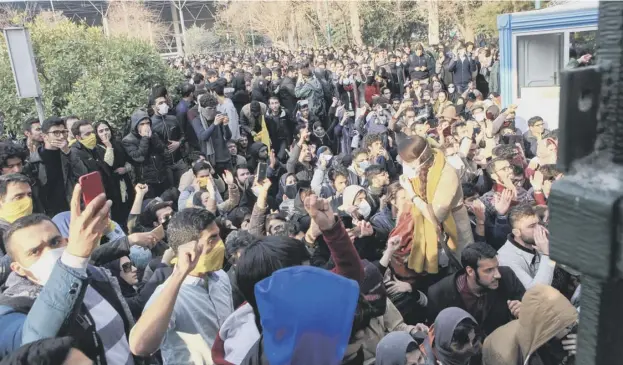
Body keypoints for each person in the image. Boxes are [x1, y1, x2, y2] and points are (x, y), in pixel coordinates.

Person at [0, 186, 138, 364]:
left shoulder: (95, 276)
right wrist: (74, 259)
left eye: (55, 242)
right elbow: (33, 345)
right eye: (35, 251)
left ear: (65, 240)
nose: (50, 252)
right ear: (18, 268)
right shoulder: (13, 305)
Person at [129, 208, 234, 364]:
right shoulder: (167, 296)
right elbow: (140, 347)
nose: (220, 243)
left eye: (218, 235)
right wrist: (179, 275)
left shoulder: (221, 277)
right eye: (212, 238)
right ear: (189, 247)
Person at [396, 136, 473, 275]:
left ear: (420, 159)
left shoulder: (447, 172)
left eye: (408, 162)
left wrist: (412, 193)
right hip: (428, 226)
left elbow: (436, 215)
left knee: (462, 263)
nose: (405, 165)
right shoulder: (421, 166)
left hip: (454, 223)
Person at [427, 242, 525, 336]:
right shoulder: (439, 295)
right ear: (470, 271)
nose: (497, 275)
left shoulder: (507, 276)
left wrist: (523, 311)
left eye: (497, 267)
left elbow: (528, 307)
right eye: (489, 270)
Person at [482, 285, 578, 365]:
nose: (571, 329)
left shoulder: (543, 333)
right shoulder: (505, 356)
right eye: (567, 327)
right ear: (549, 327)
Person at [28, 117, 87, 217]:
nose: (61, 136)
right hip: (47, 212)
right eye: (56, 133)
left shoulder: (69, 154)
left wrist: (67, 152)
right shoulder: (34, 161)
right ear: (44, 136)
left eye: (64, 132)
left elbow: (83, 174)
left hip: (70, 208)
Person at [497, 204, 556, 289]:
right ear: (517, 233)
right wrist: (547, 255)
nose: (539, 229)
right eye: (532, 226)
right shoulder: (506, 259)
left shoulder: (538, 244)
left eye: (539, 223)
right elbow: (537, 292)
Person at [94, 121, 134, 228]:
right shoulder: (97, 149)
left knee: (129, 205)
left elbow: (129, 160)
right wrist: (108, 146)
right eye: (101, 131)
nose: (105, 133)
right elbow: (108, 163)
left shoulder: (118, 143)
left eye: (107, 129)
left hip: (124, 180)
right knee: (117, 211)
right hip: (111, 185)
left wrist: (125, 169)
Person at [122, 109, 169, 198]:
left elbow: (162, 149)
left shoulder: (153, 133)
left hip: (161, 176)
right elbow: (139, 157)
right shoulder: (128, 140)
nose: (146, 126)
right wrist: (145, 138)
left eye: (147, 123)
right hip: (146, 181)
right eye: (142, 124)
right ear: (135, 125)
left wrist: (153, 137)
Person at [150, 90, 187, 186]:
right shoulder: (151, 124)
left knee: (186, 187)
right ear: (154, 107)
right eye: (160, 103)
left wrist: (178, 143)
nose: (164, 105)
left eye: (165, 102)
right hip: (165, 165)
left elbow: (183, 135)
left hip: (179, 161)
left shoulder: (173, 119)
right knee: (172, 191)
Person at [192, 93, 233, 174]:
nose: (213, 111)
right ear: (202, 108)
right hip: (210, 160)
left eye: (214, 108)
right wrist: (214, 124)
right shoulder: (197, 120)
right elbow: (203, 137)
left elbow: (228, 137)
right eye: (210, 108)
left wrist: (225, 125)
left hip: (225, 157)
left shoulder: (219, 114)